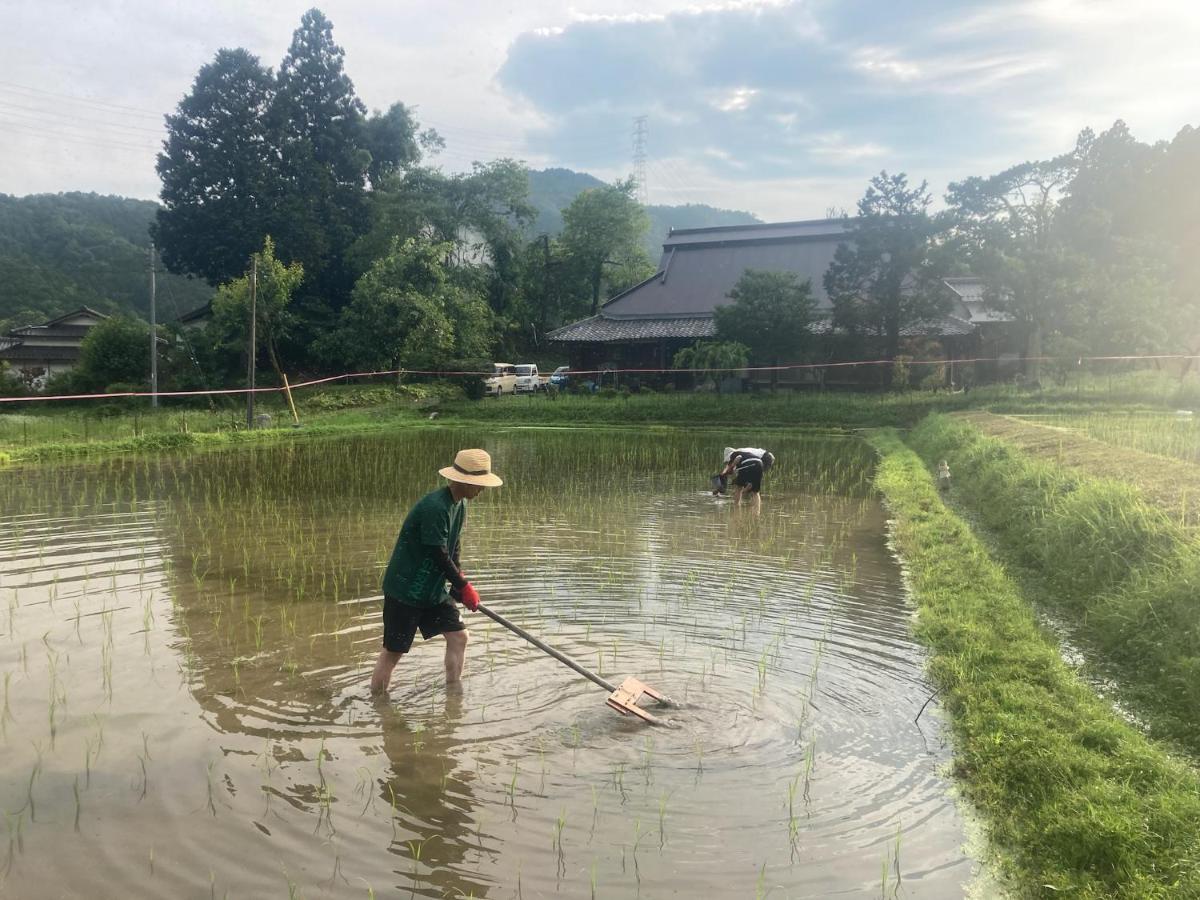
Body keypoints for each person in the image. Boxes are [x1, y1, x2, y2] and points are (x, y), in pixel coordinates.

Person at [370, 448, 503, 696]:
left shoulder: (459, 505)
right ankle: (378, 707)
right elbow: (437, 553)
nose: (481, 490)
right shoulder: (435, 507)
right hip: (406, 589)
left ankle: (453, 695)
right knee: (393, 652)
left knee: (459, 637)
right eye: (477, 484)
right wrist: (464, 587)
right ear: (462, 481)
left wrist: (459, 582)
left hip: (432, 589)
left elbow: (453, 548)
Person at [716, 446, 775, 511]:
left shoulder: (733, 454)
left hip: (750, 463)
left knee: (739, 487)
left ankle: (736, 508)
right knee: (755, 491)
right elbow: (728, 469)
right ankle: (757, 513)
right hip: (759, 464)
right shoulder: (744, 452)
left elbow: (738, 458)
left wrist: (731, 467)